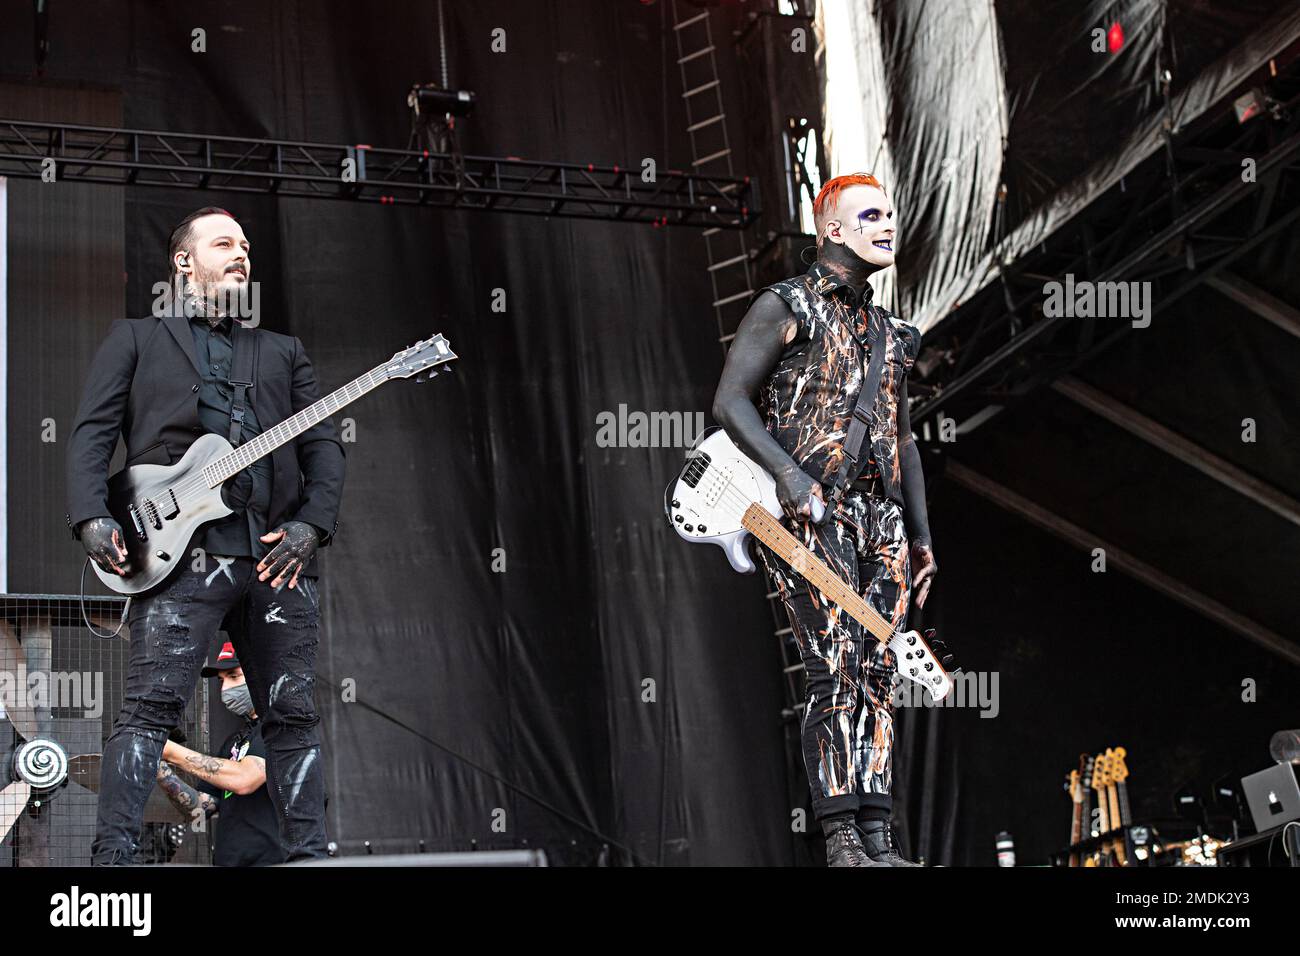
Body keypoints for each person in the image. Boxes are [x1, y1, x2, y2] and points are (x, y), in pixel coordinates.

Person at [66, 206, 346, 865]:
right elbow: (91, 433)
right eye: (224, 242)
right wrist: (90, 515)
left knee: (294, 713)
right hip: (179, 553)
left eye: (246, 244)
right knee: (151, 706)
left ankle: (308, 855)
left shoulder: (283, 352)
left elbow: (324, 450)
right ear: (186, 262)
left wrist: (312, 524)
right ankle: (115, 859)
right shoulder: (135, 338)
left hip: (275, 558)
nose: (241, 252)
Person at [712, 173, 937, 866]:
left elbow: (903, 439)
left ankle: (877, 835)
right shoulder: (787, 304)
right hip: (810, 513)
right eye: (870, 214)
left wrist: (922, 536)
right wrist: (788, 474)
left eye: (891, 213)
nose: (887, 223)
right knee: (834, 661)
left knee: (878, 671)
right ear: (832, 229)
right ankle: (840, 833)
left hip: (884, 522)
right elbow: (730, 401)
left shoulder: (897, 334)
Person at [155, 642, 286, 866]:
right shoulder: (233, 742)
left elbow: (245, 779)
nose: (225, 688)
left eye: (234, 676)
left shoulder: (281, 729)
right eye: (222, 680)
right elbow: (199, 807)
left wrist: (169, 750)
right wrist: (158, 764)